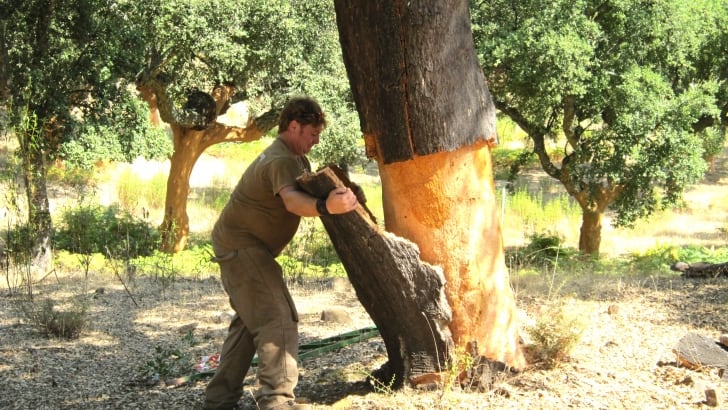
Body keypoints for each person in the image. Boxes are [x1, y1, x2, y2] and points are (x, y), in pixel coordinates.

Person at [203, 96, 359, 410]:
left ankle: (218, 401)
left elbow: (306, 190)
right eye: (312, 133)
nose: (315, 141)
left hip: (241, 245)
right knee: (278, 316)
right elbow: (292, 201)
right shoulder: (281, 160)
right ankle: (276, 401)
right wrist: (326, 206)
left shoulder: (294, 158)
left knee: (251, 322)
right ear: (293, 126)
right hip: (242, 246)